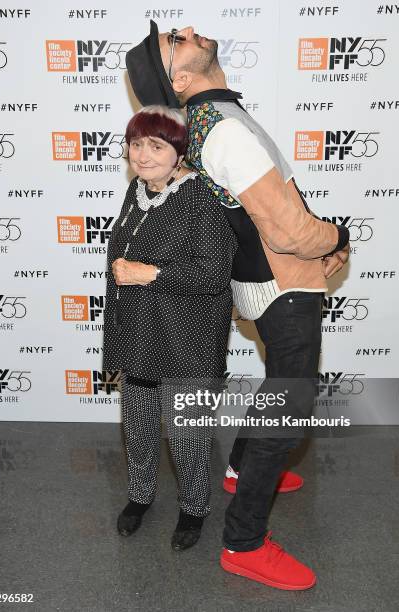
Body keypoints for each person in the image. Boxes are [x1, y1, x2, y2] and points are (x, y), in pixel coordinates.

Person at [125, 21, 350, 589]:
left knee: (278, 385)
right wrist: (338, 238)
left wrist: (311, 245)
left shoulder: (209, 121)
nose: (191, 30)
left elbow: (260, 215)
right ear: (177, 75)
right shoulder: (221, 128)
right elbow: (289, 227)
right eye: (177, 38)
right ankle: (244, 542)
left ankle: (239, 469)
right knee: (288, 413)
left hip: (267, 279)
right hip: (283, 283)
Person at [102, 104, 237, 551]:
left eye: (155, 145)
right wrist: (115, 344)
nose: (142, 155)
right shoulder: (138, 192)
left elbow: (214, 274)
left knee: (188, 438)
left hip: (187, 341)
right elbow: (119, 269)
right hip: (140, 337)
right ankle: (139, 497)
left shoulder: (202, 198)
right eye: (136, 144)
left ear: (178, 151)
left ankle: (194, 510)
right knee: (137, 427)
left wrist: (152, 273)